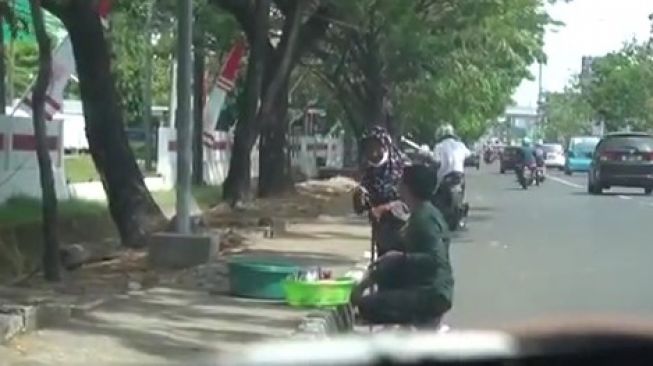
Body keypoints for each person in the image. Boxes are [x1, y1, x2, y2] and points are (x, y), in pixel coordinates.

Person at [351, 164, 454, 327]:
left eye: (401, 182)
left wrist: (399, 259)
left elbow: (435, 259)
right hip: (425, 285)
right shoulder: (421, 212)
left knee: (367, 306)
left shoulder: (425, 219)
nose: (397, 186)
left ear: (408, 187)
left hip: (432, 292)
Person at [353, 126, 408, 256]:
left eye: (375, 147)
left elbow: (409, 201)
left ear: (385, 146)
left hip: (406, 232)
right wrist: (358, 198)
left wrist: (383, 208)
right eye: (368, 148)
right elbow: (361, 208)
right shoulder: (368, 170)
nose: (372, 153)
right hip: (382, 234)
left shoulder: (402, 166)